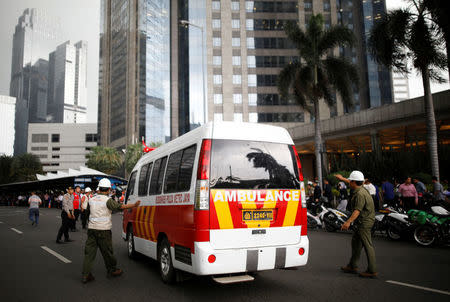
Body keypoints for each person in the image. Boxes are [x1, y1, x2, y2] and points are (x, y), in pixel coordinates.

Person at [81, 178, 140, 284]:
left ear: (99, 188)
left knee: (89, 253)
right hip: (103, 230)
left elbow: (87, 213)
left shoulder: (91, 199)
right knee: (108, 252)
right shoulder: (107, 200)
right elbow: (121, 206)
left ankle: (86, 275)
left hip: (92, 229)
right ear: (108, 189)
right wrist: (134, 205)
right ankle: (112, 270)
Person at [335, 171, 377, 278]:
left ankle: (372, 270)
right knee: (356, 243)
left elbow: (357, 211)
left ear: (354, 182)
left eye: (350, 181)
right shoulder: (361, 188)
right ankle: (352, 265)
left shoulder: (360, 194)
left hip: (364, 222)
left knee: (367, 245)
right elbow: (351, 181)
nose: (349, 182)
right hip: (362, 222)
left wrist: (347, 222)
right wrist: (342, 178)